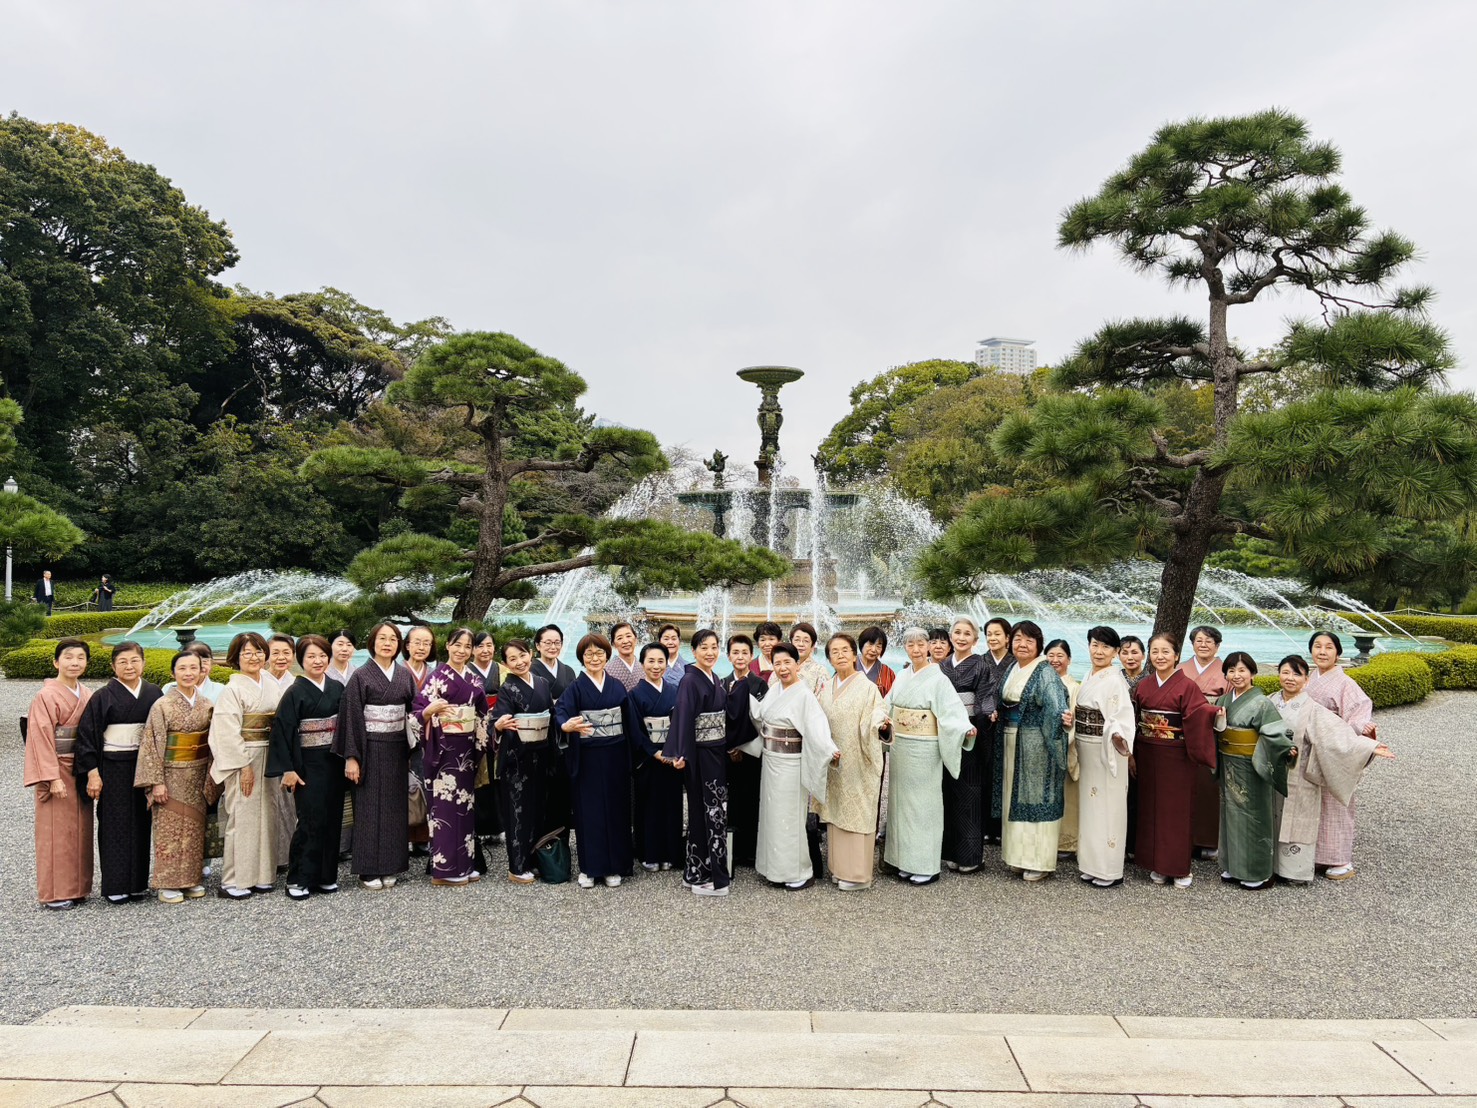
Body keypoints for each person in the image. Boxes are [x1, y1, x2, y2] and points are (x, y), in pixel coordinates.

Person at [1270, 653, 1392, 885]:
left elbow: (1336, 734)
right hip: (1274, 770)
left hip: (1301, 771)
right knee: (1275, 815)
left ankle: (1295, 870)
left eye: (1297, 674)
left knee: (1299, 819)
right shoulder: (1270, 701)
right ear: (1278, 675)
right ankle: (1273, 864)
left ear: (1306, 681)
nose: (1290, 678)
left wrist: (1368, 746)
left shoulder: (1312, 708)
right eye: (1285, 672)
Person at [873, 627, 975, 885]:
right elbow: (888, 704)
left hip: (925, 748)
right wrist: (880, 719)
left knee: (924, 806)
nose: (916, 650)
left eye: (920, 645)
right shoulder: (903, 676)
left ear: (928, 647)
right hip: (901, 746)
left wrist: (965, 729)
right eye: (910, 645)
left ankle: (925, 865)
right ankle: (903, 860)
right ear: (905, 648)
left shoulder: (939, 679)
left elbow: (951, 712)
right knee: (901, 804)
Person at [742, 642, 837, 889]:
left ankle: (798, 872)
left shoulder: (803, 694)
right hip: (771, 760)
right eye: (777, 663)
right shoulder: (775, 690)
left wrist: (829, 749)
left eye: (787, 662)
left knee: (790, 817)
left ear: (797, 664)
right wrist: (742, 697)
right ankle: (773, 868)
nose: (783, 668)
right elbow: (760, 716)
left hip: (791, 763)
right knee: (772, 815)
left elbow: (816, 728)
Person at [75, 641, 162, 903]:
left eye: (134, 660)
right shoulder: (103, 696)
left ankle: (137, 884)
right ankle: (115, 886)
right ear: (113, 666)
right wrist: (92, 772)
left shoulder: (153, 693)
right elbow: (87, 736)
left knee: (141, 822)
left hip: (144, 766)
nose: (129, 666)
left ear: (143, 663)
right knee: (114, 824)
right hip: (112, 767)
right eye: (122, 662)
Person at [334, 621, 418, 891]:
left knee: (394, 808)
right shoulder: (361, 676)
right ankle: (368, 869)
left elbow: (413, 712)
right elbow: (351, 717)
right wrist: (351, 757)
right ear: (372, 643)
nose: (387, 643)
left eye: (392, 639)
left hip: (396, 748)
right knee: (369, 809)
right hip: (368, 747)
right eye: (382, 638)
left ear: (398, 645)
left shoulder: (404, 676)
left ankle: (392, 865)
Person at [1131, 632, 1217, 888]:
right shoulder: (1144, 685)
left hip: (1177, 756)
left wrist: (1213, 712)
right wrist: (1132, 755)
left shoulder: (1187, 686)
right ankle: (1156, 864)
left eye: (1165, 652)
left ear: (1176, 655)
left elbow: (1199, 713)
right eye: (1155, 651)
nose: (1160, 657)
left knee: (1176, 812)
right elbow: (1134, 720)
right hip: (1147, 751)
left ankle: (1179, 868)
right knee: (1150, 808)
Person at [669, 628, 750, 896]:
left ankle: (695, 870)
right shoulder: (690, 681)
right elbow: (682, 716)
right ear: (693, 651)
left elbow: (726, 711)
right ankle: (707, 877)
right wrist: (681, 753)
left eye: (714, 647)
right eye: (704, 647)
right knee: (708, 812)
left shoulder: (713, 678)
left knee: (709, 811)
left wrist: (740, 690)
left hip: (714, 752)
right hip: (700, 753)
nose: (710, 652)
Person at [267, 635, 346, 899]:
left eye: (322, 655)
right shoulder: (295, 692)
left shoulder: (336, 687)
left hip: (333, 761)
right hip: (307, 765)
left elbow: (345, 725)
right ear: (301, 660)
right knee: (310, 821)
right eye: (311, 656)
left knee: (333, 819)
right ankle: (299, 878)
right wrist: (288, 769)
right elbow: (282, 731)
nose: (318, 661)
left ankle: (326, 876)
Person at [1210, 652, 1297, 890]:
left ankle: (1256, 870)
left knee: (1253, 816)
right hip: (1228, 762)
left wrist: (1285, 749)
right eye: (1231, 671)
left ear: (1252, 674)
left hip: (1252, 765)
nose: (1236, 676)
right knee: (1230, 813)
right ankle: (1232, 866)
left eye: (1242, 670)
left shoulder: (1261, 703)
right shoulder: (1223, 701)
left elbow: (1276, 734)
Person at [555, 633, 635, 888]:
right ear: (581, 658)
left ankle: (614, 867)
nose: (594, 658)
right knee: (588, 812)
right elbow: (561, 712)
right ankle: (590, 868)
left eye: (599, 653)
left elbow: (629, 722)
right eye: (588, 654)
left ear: (606, 656)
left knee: (615, 810)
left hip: (614, 756)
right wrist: (565, 725)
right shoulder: (576, 688)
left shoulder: (617, 686)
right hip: (587, 757)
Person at [135, 650, 216, 902]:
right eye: (182, 668)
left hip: (198, 771)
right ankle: (168, 882)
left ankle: (191, 879)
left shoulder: (206, 704)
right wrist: (156, 781)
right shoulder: (162, 705)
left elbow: (213, 741)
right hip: (170, 774)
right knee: (169, 829)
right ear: (173, 673)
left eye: (194, 668)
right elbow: (151, 744)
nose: (189, 673)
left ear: (202, 670)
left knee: (194, 829)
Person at [208, 631, 284, 900]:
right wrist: (243, 765)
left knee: (268, 813)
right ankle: (234, 879)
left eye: (259, 652)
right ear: (235, 658)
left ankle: (263, 875)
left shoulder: (271, 683)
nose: (254, 657)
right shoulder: (232, 689)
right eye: (247, 653)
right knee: (242, 816)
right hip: (245, 755)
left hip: (270, 753)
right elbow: (226, 731)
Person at [413, 627, 490, 886]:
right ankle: (444, 870)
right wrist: (429, 712)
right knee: (445, 809)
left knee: (465, 807)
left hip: (466, 751)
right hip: (443, 750)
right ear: (447, 646)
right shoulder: (437, 677)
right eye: (458, 645)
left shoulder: (473, 678)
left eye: (467, 647)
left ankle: (465, 865)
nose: (462, 651)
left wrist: (483, 739)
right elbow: (417, 713)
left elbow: (482, 715)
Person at [997, 621, 1071, 882]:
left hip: (1036, 743)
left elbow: (1056, 706)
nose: (1022, 644)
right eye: (1017, 639)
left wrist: (1060, 727)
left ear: (1039, 644)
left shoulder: (1045, 672)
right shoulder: (1012, 667)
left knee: (1036, 796)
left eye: (1029, 640)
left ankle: (1039, 861)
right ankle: (1017, 857)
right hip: (1011, 739)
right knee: (1013, 797)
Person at [1303, 631, 1380, 880]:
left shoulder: (1346, 683)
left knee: (1336, 803)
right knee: (1311, 803)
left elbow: (1359, 714)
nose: (1322, 652)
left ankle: (1339, 859)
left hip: (1335, 749)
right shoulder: (1307, 679)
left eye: (1328, 647)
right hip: (1309, 749)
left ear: (1338, 653)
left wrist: (1353, 731)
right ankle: (1314, 856)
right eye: (1317, 646)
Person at [24, 639, 94, 909]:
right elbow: (40, 737)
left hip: (80, 767)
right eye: (68, 657)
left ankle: (77, 887)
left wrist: (92, 769)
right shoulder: (46, 696)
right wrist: (51, 777)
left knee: (81, 829)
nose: (74, 662)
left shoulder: (86, 693)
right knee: (56, 831)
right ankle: (54, 892)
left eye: (80, 657)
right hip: (57, 766)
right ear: (56, 662)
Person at [817, 633, 884, 890]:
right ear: (830, 658)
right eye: (834, 652)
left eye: (845, 650)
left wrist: (879, 723)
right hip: (833, 759)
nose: (841, 655)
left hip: (857, 757)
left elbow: (878, 712)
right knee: (835, 810)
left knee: (856, 810)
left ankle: (857, 874)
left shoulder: (867, 687)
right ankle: (838, 868)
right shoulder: (826, 685)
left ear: (854, 654)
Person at [1072, 627, 1136, 887]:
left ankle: (1109, 869)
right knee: (1090, 808)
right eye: (1095, 645)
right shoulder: (1090, 675)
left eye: (1106, 648)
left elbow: (1122, 717)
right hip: (1086, 746)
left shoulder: (1115, 680)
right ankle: (1090, 863)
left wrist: (1118, 736)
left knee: (1109, 808)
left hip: (1106, 747)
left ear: (1116, 653)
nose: (1099, 651)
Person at [489, 639, 555, 883]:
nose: (519, 662)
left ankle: (534, 859)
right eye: (512, 659)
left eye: (522, 655)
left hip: (541, 755)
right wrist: (498, 724)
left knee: (538, 811)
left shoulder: (542, 683)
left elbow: (552, 714)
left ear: (531, 654)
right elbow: (498, 719)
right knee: (518, 812)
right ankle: (517, 867)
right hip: (517, 758)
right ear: (505, 664)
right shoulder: (507, 689)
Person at [938, 617, 994, 874]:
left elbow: (985, 699)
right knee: (947, 792)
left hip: (970, 733)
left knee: (969, 792)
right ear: (951, 637)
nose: (961, 638)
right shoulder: (941, 666)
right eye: (957, 632)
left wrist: (984, 716)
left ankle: (971, 856)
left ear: (975, 639)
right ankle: (950, 851)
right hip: (945, 733)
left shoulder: (982, 665)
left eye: (967, 634)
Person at [628, 642, 683, 870]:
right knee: (648, 806)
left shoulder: (674, 691)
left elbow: (681, 724)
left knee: (672, 805)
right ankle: (649, 854)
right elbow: (635, 729)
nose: (656, 666)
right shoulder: (634, 694)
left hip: (671, 757)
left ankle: (670, 852)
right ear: (642, 664)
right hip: (648, 759)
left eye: (661, 661)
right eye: (651, 661)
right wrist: (654, 752)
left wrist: (676, 751)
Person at [1178, 624, 1226, 860]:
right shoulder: (1181, 668)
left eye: (1209, 641)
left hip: (1211, 732)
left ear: (1217, 646)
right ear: (1192, 644)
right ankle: (1184, 837)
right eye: (1199, 640)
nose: (1203, 644)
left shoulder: (1225, 671)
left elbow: (1228, 701)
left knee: (1208, 786)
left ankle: (1208, 839)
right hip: (1183, 731)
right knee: (1182, 786)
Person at [723, 633, 767, 868]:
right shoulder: (721, 682)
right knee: (732, 800)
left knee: (752, 799)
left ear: (751, 656)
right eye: (735, 652)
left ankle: (751, 851)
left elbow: (761, 720)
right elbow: (720, 720)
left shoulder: (759, 684)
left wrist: (745, 746)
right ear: (728, 656)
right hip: (730, 754)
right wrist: (730, 747)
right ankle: (732, 850)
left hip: (753, 753)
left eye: (744, 653)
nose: (740, 657)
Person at [402, 624, 437, 858]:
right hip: (400, 735)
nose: (422, 647)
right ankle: (403, 836)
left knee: (427, 782)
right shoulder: (397, 671)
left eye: (427, 643)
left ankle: (424, 838)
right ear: (406, 645)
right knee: (405, 785)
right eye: (417, 642)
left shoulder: (434, 672)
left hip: (430, 734)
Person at [264, 633, 299, 867]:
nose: (281, 657)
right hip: (262, 750)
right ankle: (266, 859)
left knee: (291, 805)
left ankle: (287, 856)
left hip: (293, 750)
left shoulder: (296, 682)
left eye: (286, 652)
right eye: (275, 652)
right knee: (266, 804)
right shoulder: (259, 680)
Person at [1045, 639, 1081, 857]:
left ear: (1068, 660)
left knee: (1067, 795)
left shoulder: (1074, 687)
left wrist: (1062, 743)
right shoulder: (1040, 683)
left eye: (1060, 656)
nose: (1055, 660)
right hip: (1041, 747)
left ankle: (1067, 842)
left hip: (1064, 746)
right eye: (1050, 655)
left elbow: (1075, 721)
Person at [980, 617, 1013, 844]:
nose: (992, 638)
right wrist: (988, 709)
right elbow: (979, 692)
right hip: (985, 724)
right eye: (989, 634)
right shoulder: (980, 661)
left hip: (1010, 724)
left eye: (997, 634)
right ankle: (985, 825)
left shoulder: (1015, 662)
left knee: (1007, 773)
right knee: (986, 772)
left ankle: (1003, 827)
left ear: (1007, 638)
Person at [785, 622, 829, 696]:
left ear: (812, 646)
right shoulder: (782, 667)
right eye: (797, 640)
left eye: (806, 641)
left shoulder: (820, 671)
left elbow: (823, 700)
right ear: (791, 642)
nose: (801, 644)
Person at [532, 625, 576, 697]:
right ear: (538, 645)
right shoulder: (529, 671)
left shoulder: (568, 671)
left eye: (557, 643)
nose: (553, 647)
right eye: (548, 643)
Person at [857, 626, 895, 695]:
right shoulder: (847, 667)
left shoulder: (888, 673)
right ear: (862, 644)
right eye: (870, 644)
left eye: (878, 646)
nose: (873, 650)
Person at [606, 622, 643, 692]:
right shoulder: (607, 670)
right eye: (619, 638)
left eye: (628, 636)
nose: (625, 641)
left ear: (636, 639)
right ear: (613, 644)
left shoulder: (644, 667)